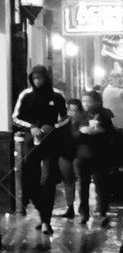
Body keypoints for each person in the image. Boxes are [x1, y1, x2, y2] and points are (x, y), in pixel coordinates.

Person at [12, 66, 67, 235]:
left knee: (48, 180)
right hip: (31, 143)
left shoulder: (57, 96)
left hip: (51, 143)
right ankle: (42, 213)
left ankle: (46, 220)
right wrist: (32, 127)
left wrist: (53, 127)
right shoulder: (26, 95)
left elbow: (65, 118)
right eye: (34, 78)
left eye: (40, 78)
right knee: (30, 180)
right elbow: (15, 118)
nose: (37, 81)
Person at [74, 90, 116, 226]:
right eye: (84, 101)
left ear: (98, 102)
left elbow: (111, 134)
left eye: (90, 101)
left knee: (101, 184)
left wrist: (101, 131)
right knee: (83, 185)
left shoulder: (105, 115)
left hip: (100, 155)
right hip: (83, 155)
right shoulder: (80, 116)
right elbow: (73, 135)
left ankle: (102, 211)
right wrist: (83, 131)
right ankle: (84, 213)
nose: (87, 104)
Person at [51, 98, 85, 219]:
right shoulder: (65, 120)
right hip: (64, 154)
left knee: (81, 181)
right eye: (70, 110)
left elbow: (79, 137)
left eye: (75, 110)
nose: (72, 113)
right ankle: (70, 208)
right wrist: (61, 125)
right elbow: (56, 132)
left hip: (78, 155)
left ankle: (83, 207)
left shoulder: (83, 121)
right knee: (68, 181)